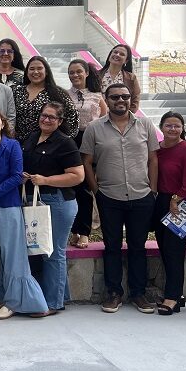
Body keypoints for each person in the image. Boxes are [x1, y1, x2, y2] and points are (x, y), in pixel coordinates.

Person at [81, 83, 159, 315]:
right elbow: (86, 161)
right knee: (112, 246)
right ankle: (114, 292)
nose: (120, 100)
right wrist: (97, 191)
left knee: (138, 246)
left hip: (141, 194)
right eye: (115, 97)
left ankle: (138, 293)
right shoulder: (95, 128)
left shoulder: (144, 124)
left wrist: (153, 189)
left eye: (125, 96)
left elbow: (153, 159)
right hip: (109, 196)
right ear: (107, 99)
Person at [0, 109, 50, 319]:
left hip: (7, 206)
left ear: (2, 123)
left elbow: (17, 176)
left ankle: (16, 302)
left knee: (12, 255)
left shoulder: (12, 146)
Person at [21, 102, 85, 312]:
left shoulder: (65, 143)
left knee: (53, 252)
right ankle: (61, 295)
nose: (46, 120)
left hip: (58, 202)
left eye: (52, 117)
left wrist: (46, 180)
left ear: (60, 121)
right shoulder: (32, 137)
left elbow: (77, 176)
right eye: (44, 115)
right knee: (41, 251)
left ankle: (53, 303)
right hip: (36, 201)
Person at [153, 112, 186, 316]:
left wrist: (177, 198)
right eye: (168, 125)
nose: (172, 129)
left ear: (182, 128)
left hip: (181, 204)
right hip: (161, 202)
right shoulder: (157, 150)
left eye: (177, 126)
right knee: (165, 250)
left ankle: (171, 297)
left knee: (174, 251)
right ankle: (177, 295)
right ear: (161, 127)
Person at [66, 59, 108, 249]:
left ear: (87, 73)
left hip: (90, 142)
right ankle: (73, 230)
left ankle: (84, 231)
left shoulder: (97, 96)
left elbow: (106, 120)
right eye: (71, 72)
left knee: (85, 188)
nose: (75, 75)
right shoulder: (64, 95)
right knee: (71, 189)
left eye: (78, 72)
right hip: (69, 142)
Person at [12, 56, 78, 143]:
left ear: (46, 71)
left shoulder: (58, 93)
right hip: (18, 144)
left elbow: (73, 118)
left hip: (48, 147)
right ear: (27, 72)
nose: (35, 72)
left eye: (39, 68)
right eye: (31, 69)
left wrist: (61, 141)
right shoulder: (16, 91)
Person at [100, 44, 142, 112]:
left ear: (126, 61)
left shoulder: (131, 78)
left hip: (122, 118)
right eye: (115, 52)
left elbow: (135, 101)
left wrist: (125, 117)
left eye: (122, 54)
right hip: (99, 118)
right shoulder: (96, 75)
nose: (117, 55)